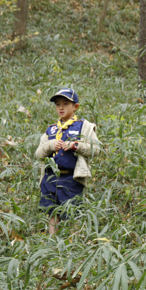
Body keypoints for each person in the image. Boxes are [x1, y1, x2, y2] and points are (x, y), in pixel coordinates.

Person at [35, 88, 100, 235]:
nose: (61, 108)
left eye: (65, 104)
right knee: (52, 214)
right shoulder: (51, 130)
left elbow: (96, 149)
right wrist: (51, 146)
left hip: (71, 178)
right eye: (58, 104)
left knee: (73, 214)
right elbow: (38, 154)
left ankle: (73, 246)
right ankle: (53, 245)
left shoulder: (83, 127)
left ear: (75, 106)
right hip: (50, 178)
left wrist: (75, 145)